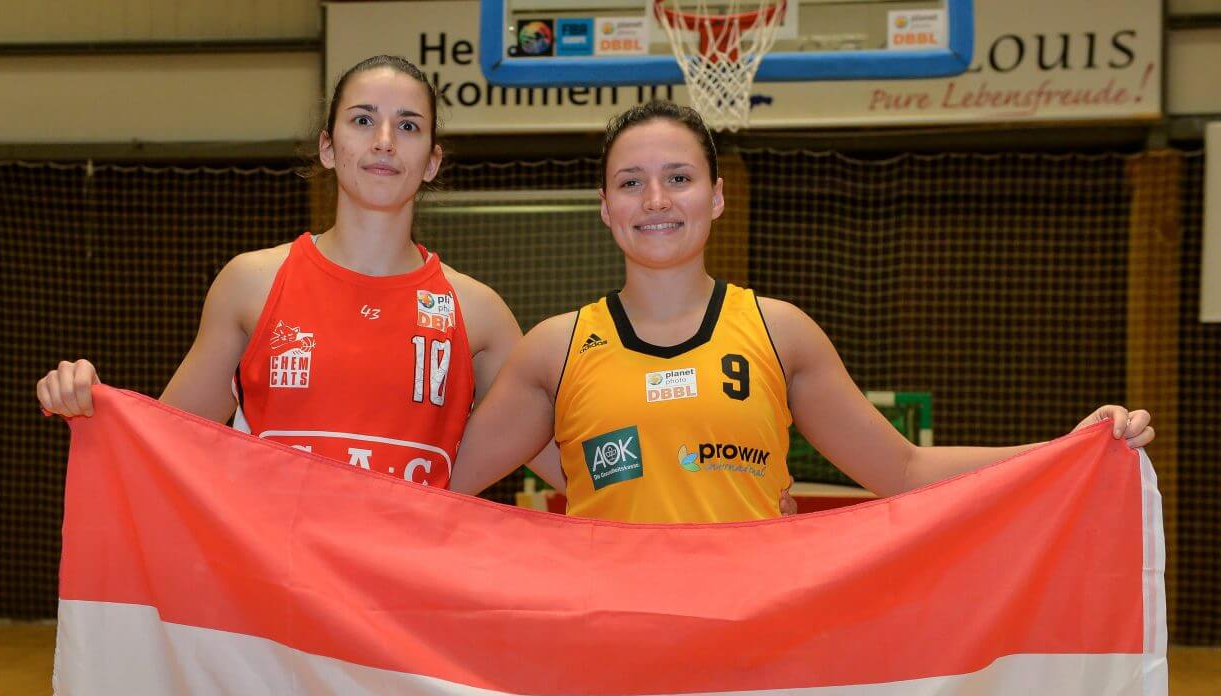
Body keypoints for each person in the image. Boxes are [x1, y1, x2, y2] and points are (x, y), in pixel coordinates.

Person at [449, 101, 1154, 520]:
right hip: (611, 659)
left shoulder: (779, 332)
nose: (656, 200)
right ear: (605, 206)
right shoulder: (555, 348)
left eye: (679, 178)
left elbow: (904, 468)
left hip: (752, 656)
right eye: (631, 183)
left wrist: (1063, 449)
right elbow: (440, 484)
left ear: (716, 196)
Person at [36, 55, 563, 491]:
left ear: (432, 161)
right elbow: (165, 441)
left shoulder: (478, 312)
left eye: (408, 126)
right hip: (277, 585)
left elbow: (570, 469)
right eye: (362, 120)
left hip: (407, 584)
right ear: (327, 147)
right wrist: (92, 403)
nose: (384, 140)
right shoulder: (252, 284)